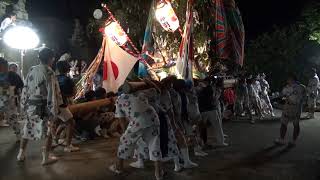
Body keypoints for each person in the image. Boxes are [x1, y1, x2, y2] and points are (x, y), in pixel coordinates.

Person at [17, 48, 64, 165]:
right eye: (53, 58)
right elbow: (53, 92)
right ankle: (46, 158)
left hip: (31, 106)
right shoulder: (49, 72)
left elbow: (25, 88)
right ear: (51, 59)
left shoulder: (32, 70)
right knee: (49, 131)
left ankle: (21, 154)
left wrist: (23, 105)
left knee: (27, 128)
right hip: (44, 107)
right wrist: (55, 109)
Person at [109, 87, 163, 180]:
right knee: (154, 145)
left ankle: (119, 167)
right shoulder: (142, 93)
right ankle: (158, 173)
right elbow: (157, 90)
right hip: (153, 118)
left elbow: (121, 119)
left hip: (138, 122)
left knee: (124, 142)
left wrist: (124, 132)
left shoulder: (119, 99)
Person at [55, 60, 80, 152]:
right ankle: (68, 145)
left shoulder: (54, 78)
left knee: (59, 121)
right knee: (71, 122)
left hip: (52, 103)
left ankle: (55, 140)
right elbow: (73, 93)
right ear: (68, 69)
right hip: (62, 103)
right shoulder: (68, 79)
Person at [274, 74, 306, 146]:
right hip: (287, 106)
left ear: (292, 79)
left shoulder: (301, 87)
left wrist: (300, 103)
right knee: (284, 123)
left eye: (288, 79)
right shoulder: (287, 87)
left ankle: (293, 141)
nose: (287, 80)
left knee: (295, 124)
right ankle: (282, 139)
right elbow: (282, 95)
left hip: (296, 107)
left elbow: (304, 97)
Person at [0, 58, 21, 137]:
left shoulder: (12, 75)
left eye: (5, 65)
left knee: (12, 118)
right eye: (3, 65)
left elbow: (19, 85)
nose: (4, 67)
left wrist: (11, 88)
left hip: (9, 100)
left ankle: (18, 134)